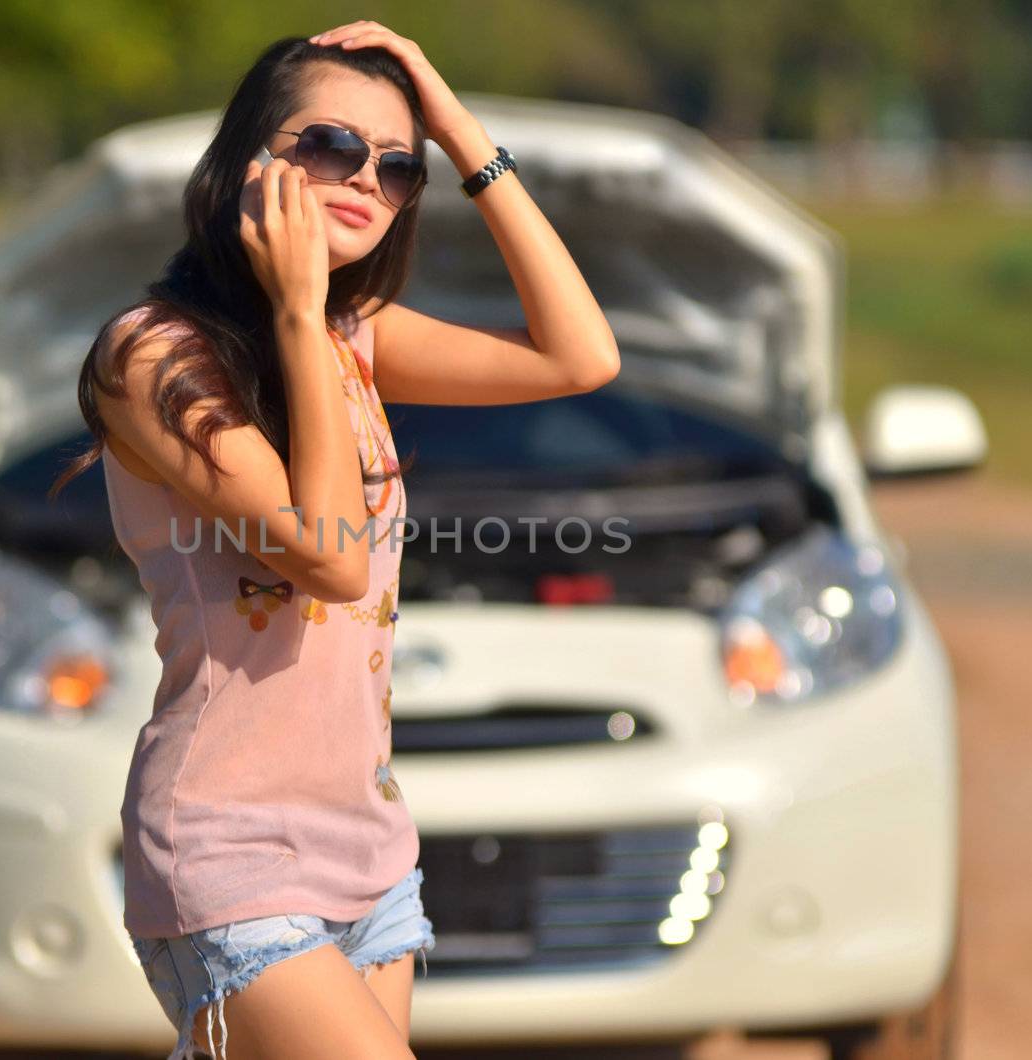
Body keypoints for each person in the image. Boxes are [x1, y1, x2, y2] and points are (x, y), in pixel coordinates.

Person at [59, 21, 619, 1060]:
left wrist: (458, 134)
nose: (366, 175)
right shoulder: (149, 357)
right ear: (250, 163)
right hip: (227, 848)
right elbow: (328, 554)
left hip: (367, 850)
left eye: (395, 165)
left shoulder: (352, 338)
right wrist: (299, 310)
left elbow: (580, 355)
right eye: (329, 145)